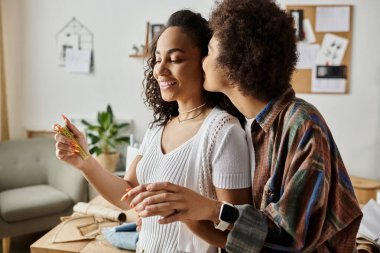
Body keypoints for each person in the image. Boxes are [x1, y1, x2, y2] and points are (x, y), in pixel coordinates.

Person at [126, 0, 363, 252]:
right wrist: (190, 216)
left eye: (211, 50)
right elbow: (256, 240)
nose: (203, 61)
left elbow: (291, 240)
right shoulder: (255, 127)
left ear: (235, 60)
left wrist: (210, 209)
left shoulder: (302, 125)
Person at [53, 9, 252, 253]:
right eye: (158, 59)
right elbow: (127, 195)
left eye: (175, 59)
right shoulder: (157, 127)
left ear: (205, 63)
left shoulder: (223, 131)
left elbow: (238, 231)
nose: (160, 69)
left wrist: (184, 213)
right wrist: (84, 160)